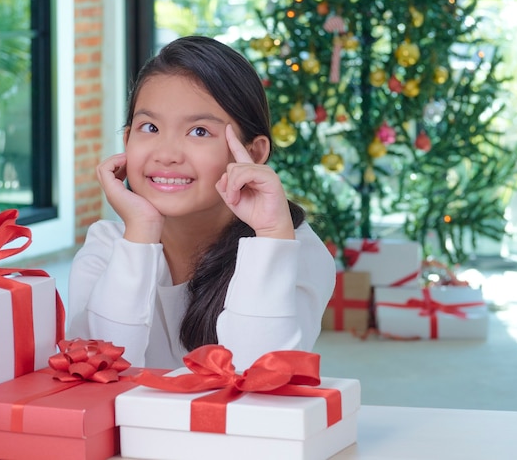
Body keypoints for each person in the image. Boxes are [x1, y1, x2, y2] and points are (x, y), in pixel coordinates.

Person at [67, 35, 336, 371]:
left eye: (198, 132)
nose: (166, 155)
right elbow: (99, 372)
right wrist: (141, 232)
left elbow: (259, 378)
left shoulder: (293, 251)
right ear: (126, 140)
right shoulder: (108, 246)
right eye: (149, 127)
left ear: (252, 154)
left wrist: (270, 234)